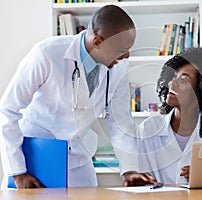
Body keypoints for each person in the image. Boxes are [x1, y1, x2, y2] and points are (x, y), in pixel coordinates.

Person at [0, 5, 138, 189]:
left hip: (78, 160)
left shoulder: (117, 67)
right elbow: (8, 109)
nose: (126, 56)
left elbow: (121, 121)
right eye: (121, 50)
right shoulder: (47, 53)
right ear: (97, 41)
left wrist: (130, 170)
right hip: (35, 159)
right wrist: (17, 171)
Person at [123, 47, 202, 186]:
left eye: (183, 80)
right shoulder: (149, 129)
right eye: (173, 77)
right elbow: (140, 182)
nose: (172, 83)